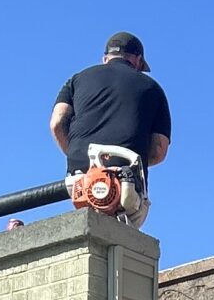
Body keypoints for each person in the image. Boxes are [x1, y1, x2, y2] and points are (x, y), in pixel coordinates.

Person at [50, 33, 172, 225]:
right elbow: (159, 150)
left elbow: (57, 123)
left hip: (80, 180)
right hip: (126, 185)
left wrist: (81, 156)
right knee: (125, 242)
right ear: (138, 60)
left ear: (105, 58)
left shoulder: (76, 80)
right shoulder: (153, 88)